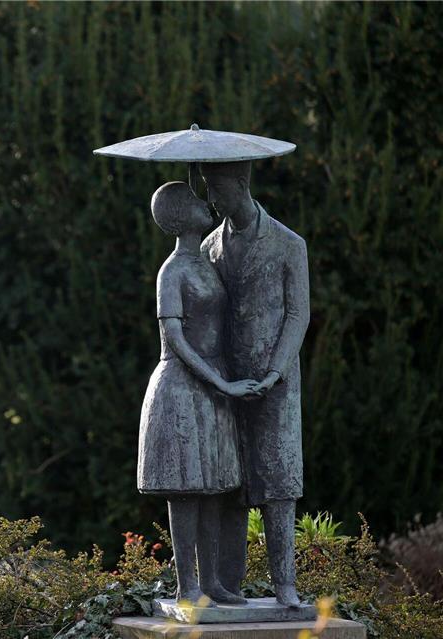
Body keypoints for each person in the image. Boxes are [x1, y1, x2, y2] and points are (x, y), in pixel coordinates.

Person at [138, 181, 259, 605]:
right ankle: (186, 585)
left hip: (212, 388)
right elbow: (175, 339)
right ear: (176, 218)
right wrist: (221, 382)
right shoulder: (171, 272)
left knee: (212, 488)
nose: (203, 203)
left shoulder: (208, 260)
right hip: (181, 389)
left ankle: (211, 583)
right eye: (192, 200)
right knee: (186, 490)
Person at [200, 161, 310, 608]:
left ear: (242, 184)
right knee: (230, 481)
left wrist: (276, 370)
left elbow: (298, 313)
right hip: (226, 382)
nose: (212, 200)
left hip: (276, 382)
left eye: (218, 189)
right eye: (207, 190)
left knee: (279, 483)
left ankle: (285, 584)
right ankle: (229, 585)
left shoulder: (288, 244)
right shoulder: (208, 247)